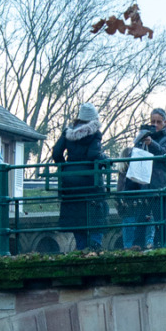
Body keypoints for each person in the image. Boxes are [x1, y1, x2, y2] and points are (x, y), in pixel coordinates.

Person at [120, 105, 166, 249]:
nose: (155, 125)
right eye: (153, 121)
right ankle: (137, 245)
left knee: (161, 219)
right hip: (145, 184)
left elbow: (165, 154)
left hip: (161, 184)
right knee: (142, 217)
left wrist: (151, 143)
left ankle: (161, 245)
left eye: (158, 122)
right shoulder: (145, 137)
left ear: (164, 123)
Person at [51, 103, 105, 250]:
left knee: (77, 215)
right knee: (96, 213)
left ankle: (81, 247)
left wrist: (65, 168)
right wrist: (104, 158)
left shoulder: (68, 133)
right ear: (93, 119)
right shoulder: (95, 133)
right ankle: (95, 246)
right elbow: (93, 155)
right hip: (89, 181)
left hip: (70, 182)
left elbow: (56, 153)